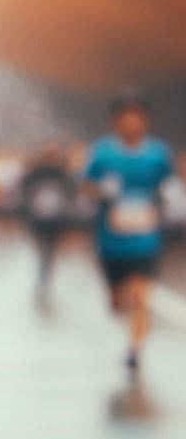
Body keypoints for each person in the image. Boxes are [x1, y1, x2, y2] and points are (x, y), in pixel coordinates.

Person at [80, 91, 174, 373]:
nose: (132, 124)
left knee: (140, 294)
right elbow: (85, 184)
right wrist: (100, 191)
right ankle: (122, 313)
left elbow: (168, 186)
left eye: (137, 119)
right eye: (126, 119)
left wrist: (165, 202)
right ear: (115, 122)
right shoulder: (102, 153)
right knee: (119, 302)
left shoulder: (158, 154)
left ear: (145, 121)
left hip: (145, 237)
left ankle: (134, 348)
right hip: (111, 240)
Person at [20, 143, 77, 302]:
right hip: (38, 219)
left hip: (56, 220)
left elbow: (71, 195)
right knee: (43, 249)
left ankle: (45, 276)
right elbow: (24, 192)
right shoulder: (35, 173)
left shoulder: (63, 174)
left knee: (50, 251)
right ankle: (43, 275)